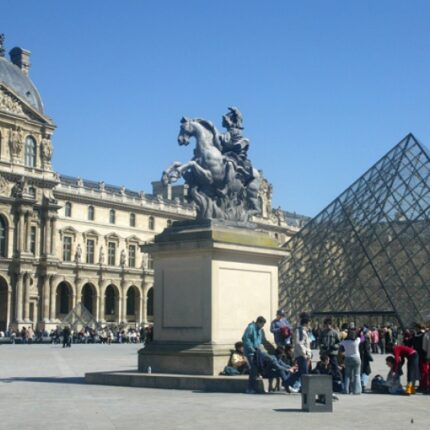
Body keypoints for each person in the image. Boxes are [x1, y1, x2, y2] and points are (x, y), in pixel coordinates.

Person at [242, 316, 266, 394]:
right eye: (262, 324)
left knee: (255, 369)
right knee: (253, 369)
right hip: (250, 352)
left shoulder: (259, 330)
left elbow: (259, 341)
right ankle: (250, 388)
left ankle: (253, 387)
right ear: (258, 322)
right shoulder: (251, 328)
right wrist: (251, 348)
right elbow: (245, 339)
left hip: (256, 352)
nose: (262, 326)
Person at [293, 313, 312, 388]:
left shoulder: (304, 331)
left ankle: (287, 382)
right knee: (304, 373)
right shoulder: (300, 331)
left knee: (301, 372)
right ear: (306, 323)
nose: (310, 324)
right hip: (301, 355)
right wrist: (304, 354)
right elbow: (299, 344)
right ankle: (305, 388)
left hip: (305, 355)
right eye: (309, 322)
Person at [340, 328, 361, 394]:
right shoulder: (357, 340)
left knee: (347, 375)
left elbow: (340, 344)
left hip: (347, 358)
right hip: (356, 358)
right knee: (356, 375)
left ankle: (346, 390)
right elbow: (362, 338)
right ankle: (357, 390)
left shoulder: (344, 342)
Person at [412, 323, 429, 392]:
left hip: (420, 356)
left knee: (422, 372)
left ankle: (423, 386)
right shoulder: (425, 334)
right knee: (424, 371)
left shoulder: (419, 335)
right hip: (423, 355)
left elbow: (424, 347)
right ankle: (424, 385)